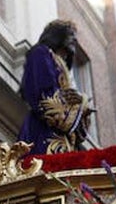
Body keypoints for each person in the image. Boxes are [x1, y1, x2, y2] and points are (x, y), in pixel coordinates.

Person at [17, 19, 93, 153]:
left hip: (65, 141)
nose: (74, 40)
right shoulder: (41, 53)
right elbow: (47, 100)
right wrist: (81, 104)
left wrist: (81, 103)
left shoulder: (64, 68)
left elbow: (80, 133)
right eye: (71, 35)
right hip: (44, 135)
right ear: (57, 35)